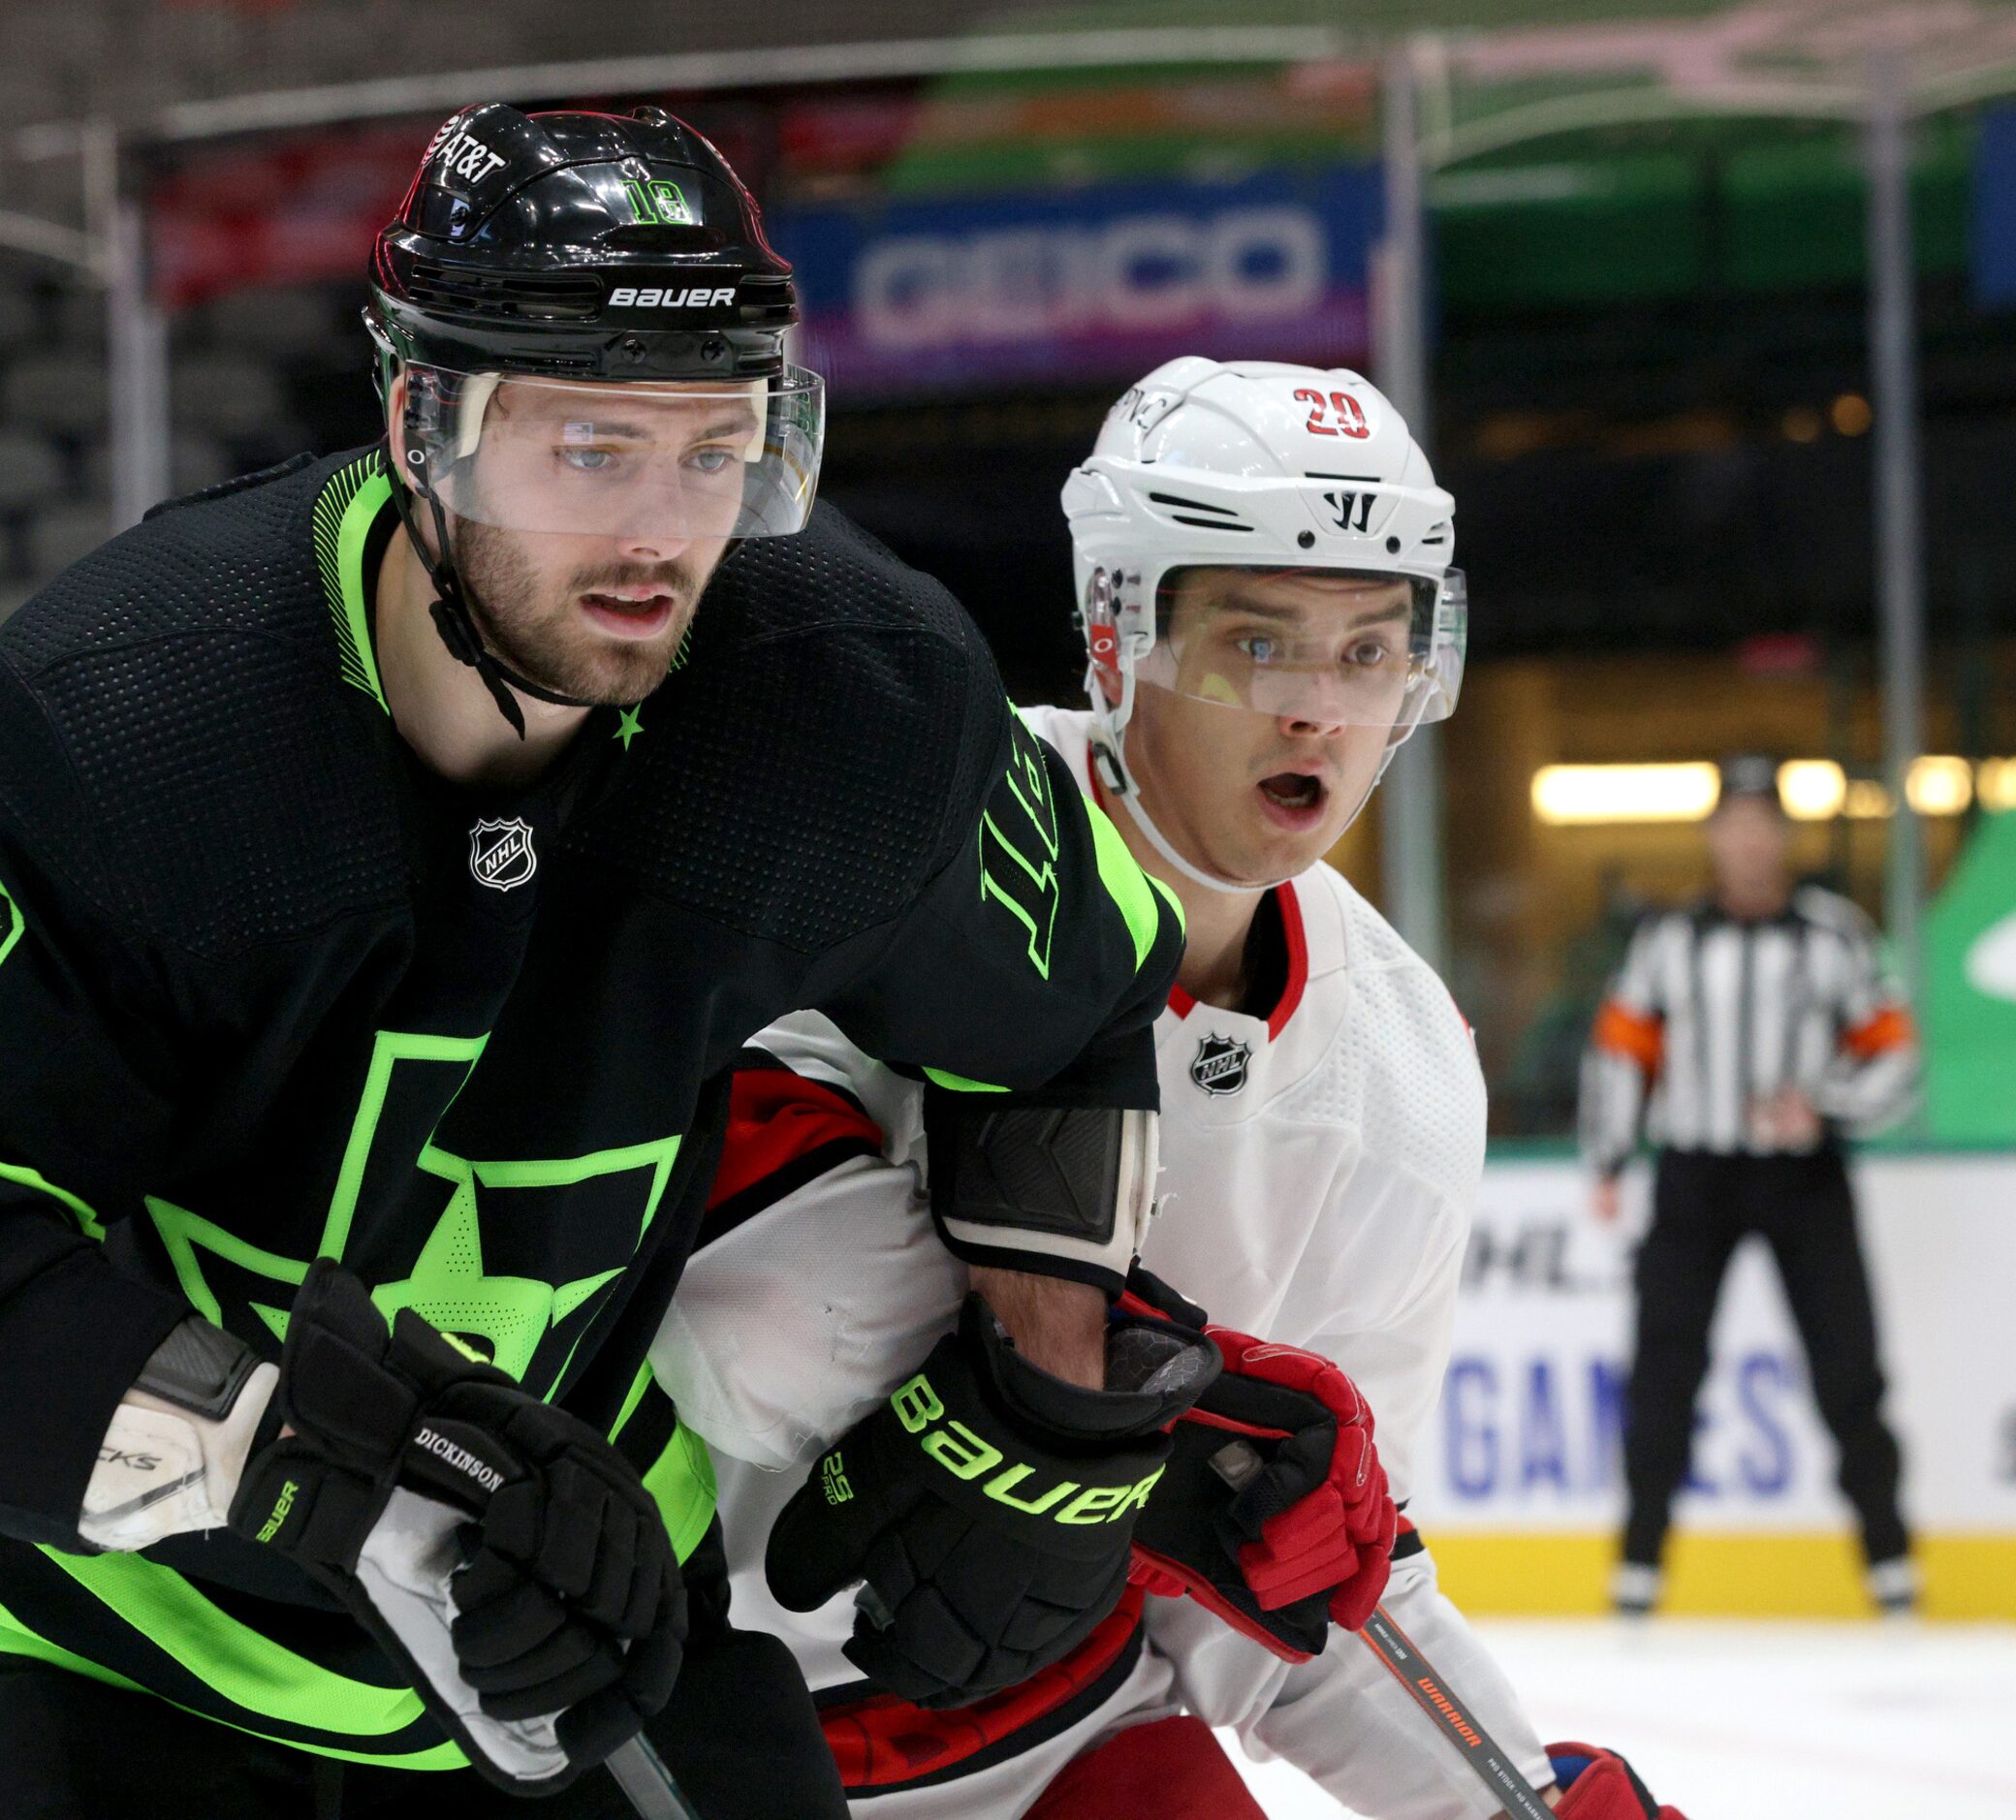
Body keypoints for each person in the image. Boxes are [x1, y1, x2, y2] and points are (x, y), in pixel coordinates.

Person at [0, 103, 1187, 1820]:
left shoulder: (850, 702)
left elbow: (1072, 1000)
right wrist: (342, 1482)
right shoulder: (136, 716)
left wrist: (1046, 1394)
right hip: (81, 1624)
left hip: (562, 1594)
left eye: (713, 450)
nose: (660, 533)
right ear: (421, 419)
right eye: (588, 448)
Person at [656, 358, 1684, 1820]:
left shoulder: (1403, 1075)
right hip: (653, 1679)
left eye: (1370, 651)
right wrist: (1167, 1429)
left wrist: (1505, 1796)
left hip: (1052, 1720)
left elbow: (1285, 1572)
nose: (1320, 714)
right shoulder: (902, 818)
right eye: (1260, 644)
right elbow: (736, 1310)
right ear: (1112, 629)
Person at [1581, 754, 1920, 1620]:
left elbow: (1894, 1052)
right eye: (1733, 823)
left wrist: (1827, 1106)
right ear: (1712, 836)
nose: (1750, 840)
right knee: (1665, 1363)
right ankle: (1639, 1567)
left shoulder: (1834, 933)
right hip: (1696, 1176)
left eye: (1764, 822)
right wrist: (1611, 1159)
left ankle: (1890, 1564)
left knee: (1848, 1362)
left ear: (1786, 834)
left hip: (1805, 1178)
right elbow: (1622, 1051)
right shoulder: (1668, 941)